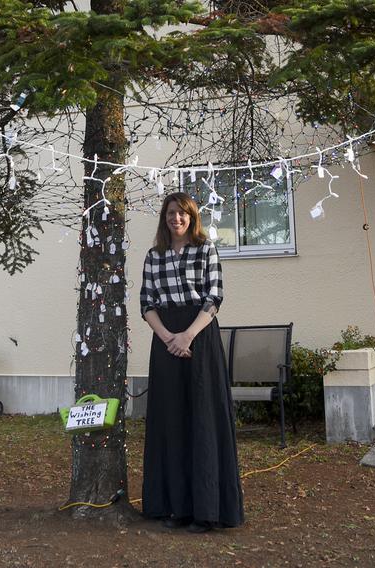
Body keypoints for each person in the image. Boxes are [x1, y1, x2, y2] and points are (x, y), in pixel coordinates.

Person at [139, 192, 244, 533]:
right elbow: (147, 303)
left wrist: (187, 336)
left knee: (202, 420)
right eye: (171, 213)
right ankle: (176, 507)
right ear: (164, 218)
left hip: (200, 338)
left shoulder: (206, 250)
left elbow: (214, 297)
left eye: (183, 213)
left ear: (192, 217)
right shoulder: (153, 256)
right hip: (166, 338)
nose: (177, 219)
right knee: (172, 420)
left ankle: (207, 511)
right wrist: (169, 337)